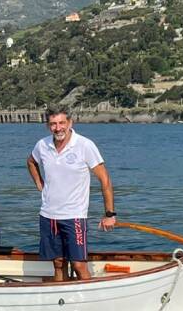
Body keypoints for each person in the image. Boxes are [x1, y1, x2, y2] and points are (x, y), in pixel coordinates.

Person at [26, 107, 116, 282]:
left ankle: (88, 303)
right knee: (58, 263)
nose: (58, 128)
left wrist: (110, 214)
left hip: (74, 216)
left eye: (61, 123)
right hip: (48, 215)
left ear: (70, 123)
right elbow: (30, 161)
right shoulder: (42, 145)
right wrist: (39, 183)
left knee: (78, 265)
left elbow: (105, 180)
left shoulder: (84, 145)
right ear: (47, 126)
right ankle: (62, 300)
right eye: (53, 124)